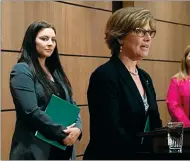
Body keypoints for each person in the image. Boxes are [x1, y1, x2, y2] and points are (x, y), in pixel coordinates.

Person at [83, 7, 162, 160]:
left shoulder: (145, 78)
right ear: (120, 37)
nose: (148, 38)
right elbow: (111, 130)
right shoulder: (105, 76)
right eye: (141, 31)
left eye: (150, 32)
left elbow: (155, 124)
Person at [9, 21, 82, 160]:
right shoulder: (22, 70)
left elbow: (72, 105)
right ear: (32, 41)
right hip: (34, 149)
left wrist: (77, 129)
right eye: (44, 39)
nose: (50, 43)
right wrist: (62, 132)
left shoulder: (56, 72)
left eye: (53, 40)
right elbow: (30, 111)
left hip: (62, 149)